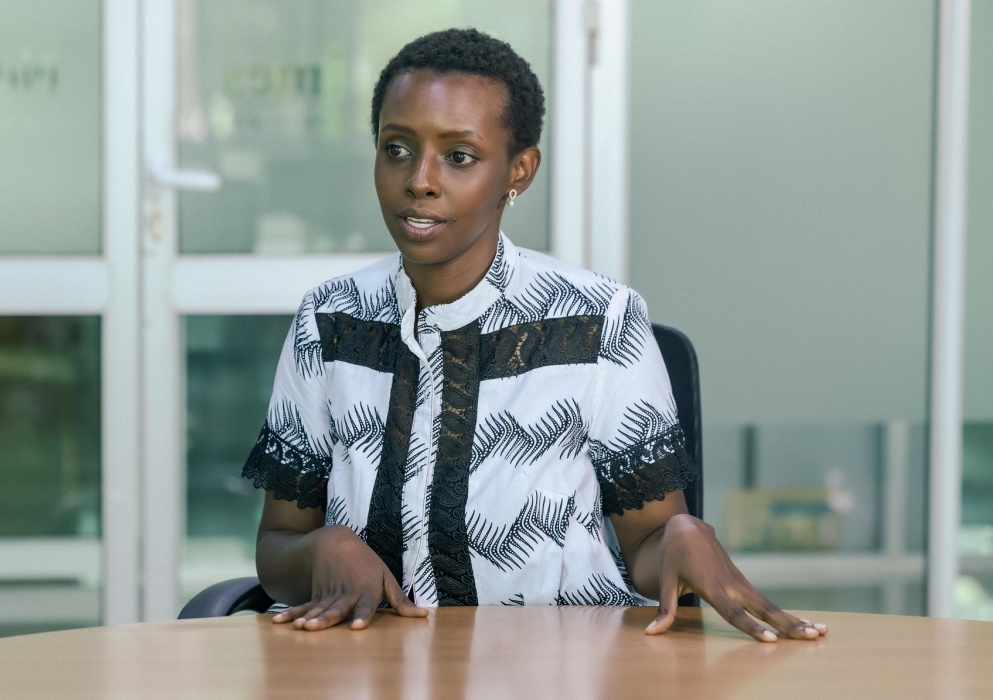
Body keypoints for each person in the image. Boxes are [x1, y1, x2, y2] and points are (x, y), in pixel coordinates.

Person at [242, 28, 827, 642]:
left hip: (564, 666)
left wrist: (678, 536)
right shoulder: (330, 321)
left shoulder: (600, 320)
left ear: (518, 171)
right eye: (397, 148)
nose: (420, 179)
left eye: (460, 156)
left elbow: (649, 545)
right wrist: (321, 551)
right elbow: (278, 548)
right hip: (369, 670)